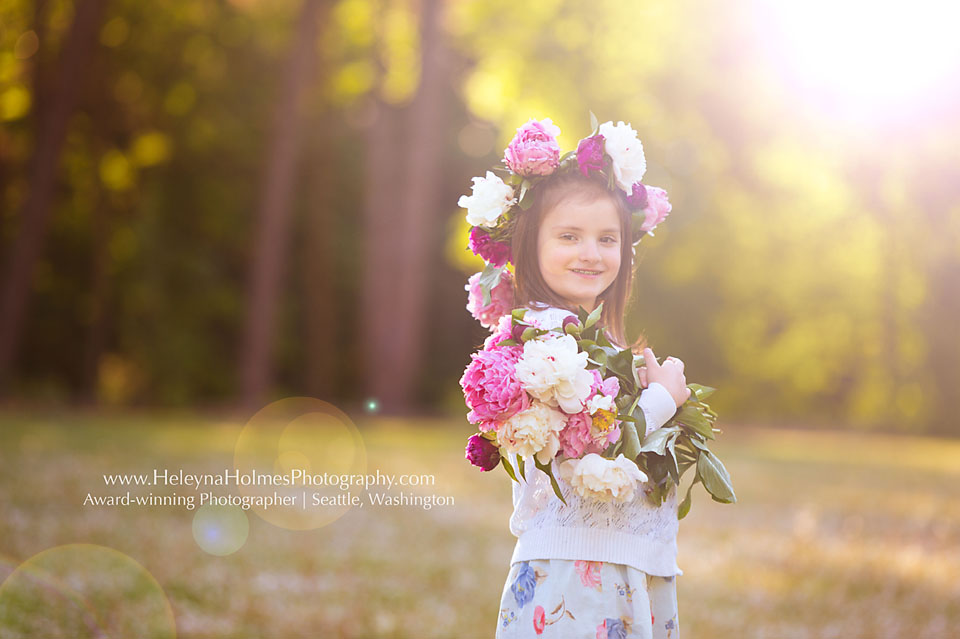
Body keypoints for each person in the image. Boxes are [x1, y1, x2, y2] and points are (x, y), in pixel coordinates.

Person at [459, 118, 689, 638]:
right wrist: (659, 401)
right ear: (529, 244)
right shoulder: (538, 341)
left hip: (620, 564)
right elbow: (589, 452)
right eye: (569, 236)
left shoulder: (595, 339)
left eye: (607, 239)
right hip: (573, 577)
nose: (591, 253)